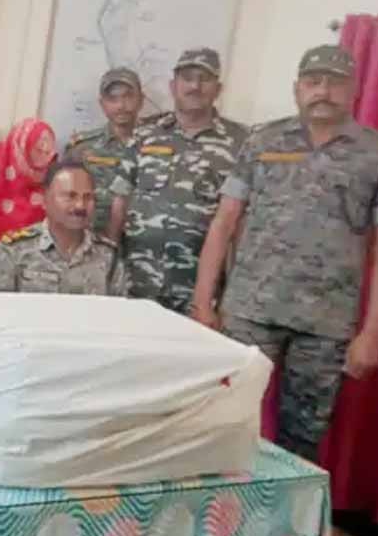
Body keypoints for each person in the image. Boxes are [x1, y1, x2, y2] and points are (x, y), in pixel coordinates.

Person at [191, 45, 378, 462]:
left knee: (302, 441)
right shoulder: (263, 140)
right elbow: (224, 222)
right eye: (313, 81)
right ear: (297, 89)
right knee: (224, 422)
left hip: (324, 324)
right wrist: (203, 303)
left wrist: (372, 334)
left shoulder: (373, 152)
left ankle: (284, 506)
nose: (323, 91)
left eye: (335, 82)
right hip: (250, 312)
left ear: (354, 90)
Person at [109, 47, 248, 313]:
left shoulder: (241, 142)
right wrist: (108, 267)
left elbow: (240, 225)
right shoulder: (145, 134)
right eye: (187, 78)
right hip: (135, 284)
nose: (195, 86)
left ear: (218, 89)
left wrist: (225, 301)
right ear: (173, 86)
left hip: (197, 293)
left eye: (204, 79)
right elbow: (120, 204)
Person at [0, 160, 125, 295]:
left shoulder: (108, 256)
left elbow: (118, 311)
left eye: (88, 197)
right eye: (70, 196)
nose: (80, 206)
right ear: (45, 200)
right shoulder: (12, 252)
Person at [0, 118, 57, 277]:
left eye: (47, 152)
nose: (43, 158)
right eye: (38, 149)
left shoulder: (52, 187)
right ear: (21, 147)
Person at [64, 67, 143, 235]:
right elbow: (65, 199)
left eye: (128, 96)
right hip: (94, 240)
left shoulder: (157, 145)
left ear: (141, 99)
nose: (121, 106)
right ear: (102, 104)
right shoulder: (81, 149)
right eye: (113, 99)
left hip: (143, 244)